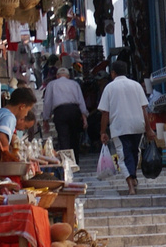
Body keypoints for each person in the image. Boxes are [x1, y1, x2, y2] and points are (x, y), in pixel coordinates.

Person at [98, 62, 150, 196]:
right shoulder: (136, 85)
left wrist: (103, 131)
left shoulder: (109, 88)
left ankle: (130, 185)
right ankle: (134, 178)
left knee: (123, 155)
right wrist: (148, 128)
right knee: (134, 153)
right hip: (138, 124)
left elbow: (105, 113)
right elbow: (144, 109)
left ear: (113, 73)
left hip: (120, 126)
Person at [42, 66, 87, 152]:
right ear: (68, 76)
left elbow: (47, 102)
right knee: (75, 138)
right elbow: (81, 100)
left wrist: (45, 119)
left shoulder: (52, 84)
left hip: (60, 112)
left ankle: (66, 161)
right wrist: (84, 116)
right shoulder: (74, 84)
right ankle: (75, 162)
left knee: (63, 138)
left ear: (57, 76)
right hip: (74, 111)